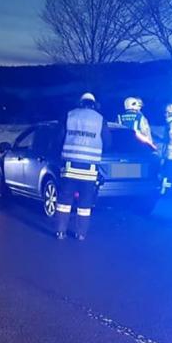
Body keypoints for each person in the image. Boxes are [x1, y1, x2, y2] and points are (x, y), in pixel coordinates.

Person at [55, 92, 111, 241]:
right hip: (89, 171)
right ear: (93, 104)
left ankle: (61, 232)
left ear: (80, 102)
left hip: (70, 168)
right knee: (85, 205)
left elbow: (59, 138)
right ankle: (81, 234)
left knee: (64, 202)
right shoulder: (100, 119)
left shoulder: (70, 115)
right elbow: (108, 143)